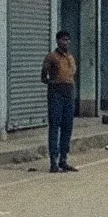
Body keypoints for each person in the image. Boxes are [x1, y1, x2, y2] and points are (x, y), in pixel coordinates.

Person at [42, 29, 79, 172]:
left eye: (68, 40)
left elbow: (72, 74)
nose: (66, 42)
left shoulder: (70, 58)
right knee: (55, 127)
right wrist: (54, 83)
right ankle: (53, 161)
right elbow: (43, 77)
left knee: (67, 127)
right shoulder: (51, 57)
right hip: (56, 95)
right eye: (63, 40)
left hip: (69, 94)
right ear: (57, 41)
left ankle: (64, 159)